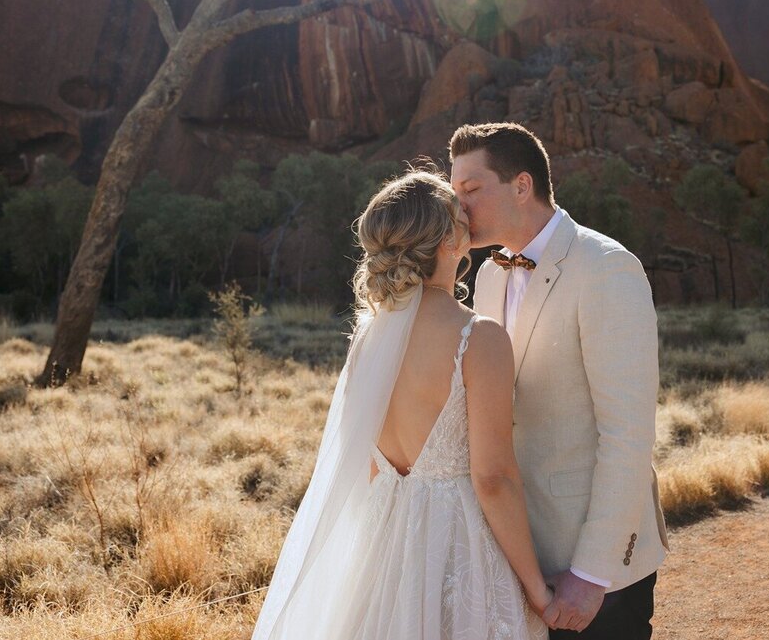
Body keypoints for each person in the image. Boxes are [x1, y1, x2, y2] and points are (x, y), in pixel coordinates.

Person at [250, 169, 549, 640]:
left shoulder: (369, 338)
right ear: (450, 241)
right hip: (458, 546)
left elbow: (369, 464)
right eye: (460, 217)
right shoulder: (479, 337)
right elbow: (493, 479)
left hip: (384, 546)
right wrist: (538, 589)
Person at [450, 123, 668, 639]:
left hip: (591, 567)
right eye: (453, 193)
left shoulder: (606, 268)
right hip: (513, 557)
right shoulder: (487, 275)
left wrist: (592, 574)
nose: (459, 209)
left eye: (471, 191)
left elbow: (628, 435)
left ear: (521, 186)